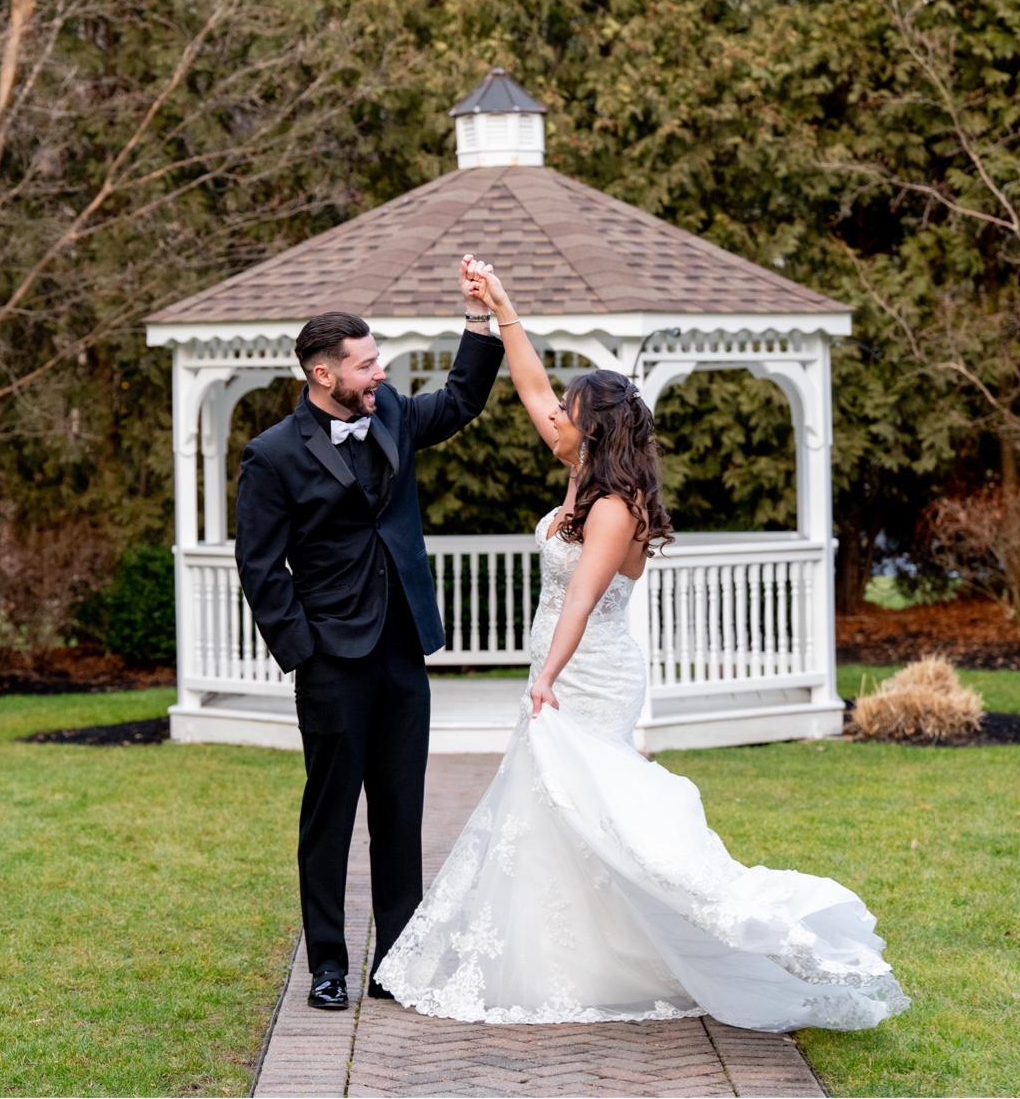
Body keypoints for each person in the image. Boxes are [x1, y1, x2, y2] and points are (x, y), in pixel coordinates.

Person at [370, 260, 911, 1032]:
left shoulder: (616, 506)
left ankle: (732, 927)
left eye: (571, 407)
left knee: (602, 816)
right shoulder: (581, 468)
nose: (556, 409)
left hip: (588, 670)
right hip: (558, 665)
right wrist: (501, 304)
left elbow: (585, 598)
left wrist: (545, 676)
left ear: (595, 424)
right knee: (550, 814)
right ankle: (564, 957)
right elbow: (527, 386)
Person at [234, 266, 504, 1011]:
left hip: (402, 648)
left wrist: (476, 322)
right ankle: (328, 964)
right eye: (365, 363)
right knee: (330, 817)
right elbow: (259, 566)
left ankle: (398, 958)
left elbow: (461, 399)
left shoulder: (391, 418)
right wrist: (303, 650)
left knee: (398, 810)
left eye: (376, 360)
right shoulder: (273, 454)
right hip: (330, 659)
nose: (378, 372)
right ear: (323, 374)